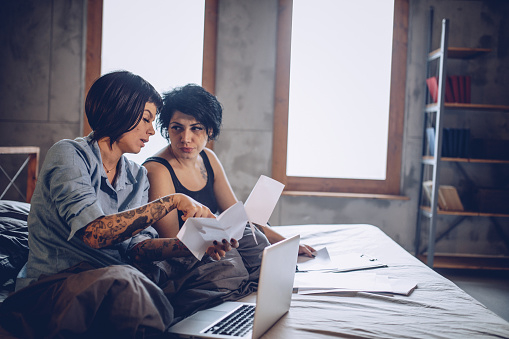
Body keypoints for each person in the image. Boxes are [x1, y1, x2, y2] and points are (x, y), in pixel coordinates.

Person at [1, 71, 237, 337]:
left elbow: (138, 250)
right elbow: (95, 233)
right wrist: (172, 201)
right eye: (146, 119)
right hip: (58, 282)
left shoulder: (136, 176)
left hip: (117, 277)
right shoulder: (68, 154)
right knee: (128, 284)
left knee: (214, 270)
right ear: (120, 112)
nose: (151, 130)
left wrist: (195, 245)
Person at [143, 84, 315, 257]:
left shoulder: (208, 158)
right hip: (185, 257)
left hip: (215, 248)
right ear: (167, 129)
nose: (186, 138)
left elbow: (238, 216)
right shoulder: (157, 171)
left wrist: (287, 243)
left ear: (210, 130)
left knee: (254, 232)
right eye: (177, 127)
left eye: (196, 128)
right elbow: (171, 241)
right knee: (249, 243)